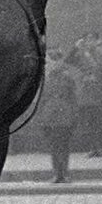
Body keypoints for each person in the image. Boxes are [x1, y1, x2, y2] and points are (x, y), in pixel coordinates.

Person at [35, 49, 79, 183]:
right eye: (49, 61)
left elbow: (73, 98)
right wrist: (40, 117)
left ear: (59, 62)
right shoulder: (44, 79)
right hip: (49, 116)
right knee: (53, 147)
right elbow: (40, 100)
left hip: (65, 116)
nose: (51, 64)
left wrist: (73, 115)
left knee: (64, 146)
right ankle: (56, 174)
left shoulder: (68, 78)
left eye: (53, 61)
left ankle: (64, 173)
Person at [71, 32, 102, 157]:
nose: (90, 42)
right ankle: (92, 148)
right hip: (86, 94)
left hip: (99, 94)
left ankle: (99, 148)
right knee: (88, 123)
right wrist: (75, 47)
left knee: (99, 123)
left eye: (92, 40)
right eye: (87, 40)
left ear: (96, 41)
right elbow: (68, 60)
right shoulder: (81, 55)